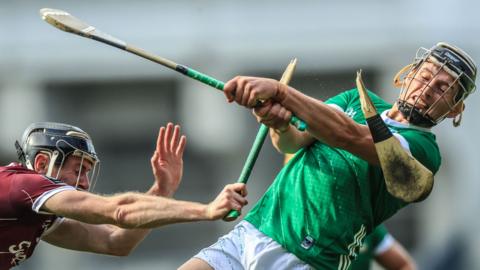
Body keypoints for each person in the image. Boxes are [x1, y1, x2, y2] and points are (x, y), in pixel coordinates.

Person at [179, 42, 476, 270]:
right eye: (425, 77)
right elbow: (293, 143)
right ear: (407, 76)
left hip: (307, 257)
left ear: (454, 110)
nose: (426, 90)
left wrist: (282, 93)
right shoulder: (356, 99)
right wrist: (279, 123)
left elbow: (348, 135)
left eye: (442, 89)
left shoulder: (424, 150)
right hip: (257, 227)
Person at [0, 122, 248, 269]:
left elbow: (114, 241)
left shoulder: (37, 215)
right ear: (42, 163)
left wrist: (162, 191)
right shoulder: (24, 185)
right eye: (78, 170)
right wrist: (205, 210)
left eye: (87, 173)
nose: (84, 184)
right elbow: (120, 211)